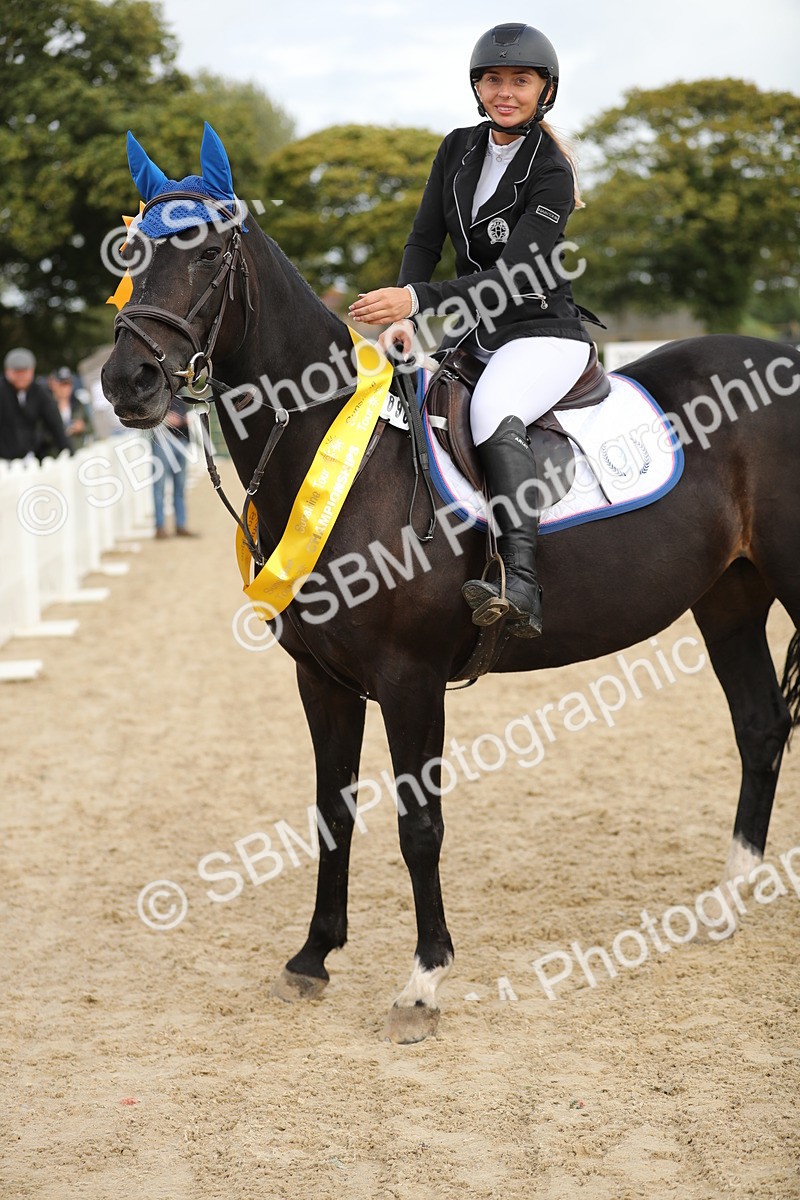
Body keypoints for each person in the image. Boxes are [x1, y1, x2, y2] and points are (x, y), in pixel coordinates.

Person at [349, 23, 603, 638]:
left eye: (521, 81)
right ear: (477, 87)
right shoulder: (457, 148)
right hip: (477, 333)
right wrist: (405, 316)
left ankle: (521, 583)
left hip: (542, 332)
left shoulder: (552, 171)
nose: (505, 92)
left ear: (545, 91)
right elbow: (424, 239)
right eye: (493, 80)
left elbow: (514, 276)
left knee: (491, 410)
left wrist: (416, 298)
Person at [0, 347, 72, 461]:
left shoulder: (39, 392)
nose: (21, 377)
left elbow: (55, 424)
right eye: (16, 372)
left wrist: (68, 452)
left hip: (31, 457)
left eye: (24, 372)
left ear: (32, 371)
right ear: (7, 371)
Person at [151, 397, 197, 538]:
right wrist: (165, 420)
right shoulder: (154, 391)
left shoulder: (180, 392)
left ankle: (181, 525)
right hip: (162, 441)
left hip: (181, 440)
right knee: (159, 487)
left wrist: (186, 419)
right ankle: (160, 527)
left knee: (180, 486)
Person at [47, 366, 94, 451]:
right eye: (62, 384)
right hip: (56, 454)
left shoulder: (78, 404)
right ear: (53, 384)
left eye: (69, 383)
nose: (66, 388)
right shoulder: (46, 407)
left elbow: (91, 427)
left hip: (77, 451)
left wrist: (82, 427)